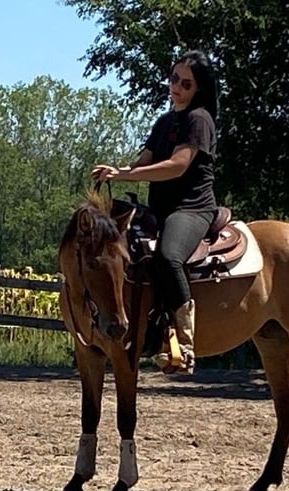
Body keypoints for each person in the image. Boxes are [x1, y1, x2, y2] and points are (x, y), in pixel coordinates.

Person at [91, 49, 219, 374]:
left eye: (185, 84)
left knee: (168, 256)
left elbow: (177, 166)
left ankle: (186, 345)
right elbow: (143, 163)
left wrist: (126, 176)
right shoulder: (165, 121)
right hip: (159, 209)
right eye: (174, 79)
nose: (176, 87)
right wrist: (116, 171)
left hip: (192, 209)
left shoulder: (199, 120)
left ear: (199, 89)